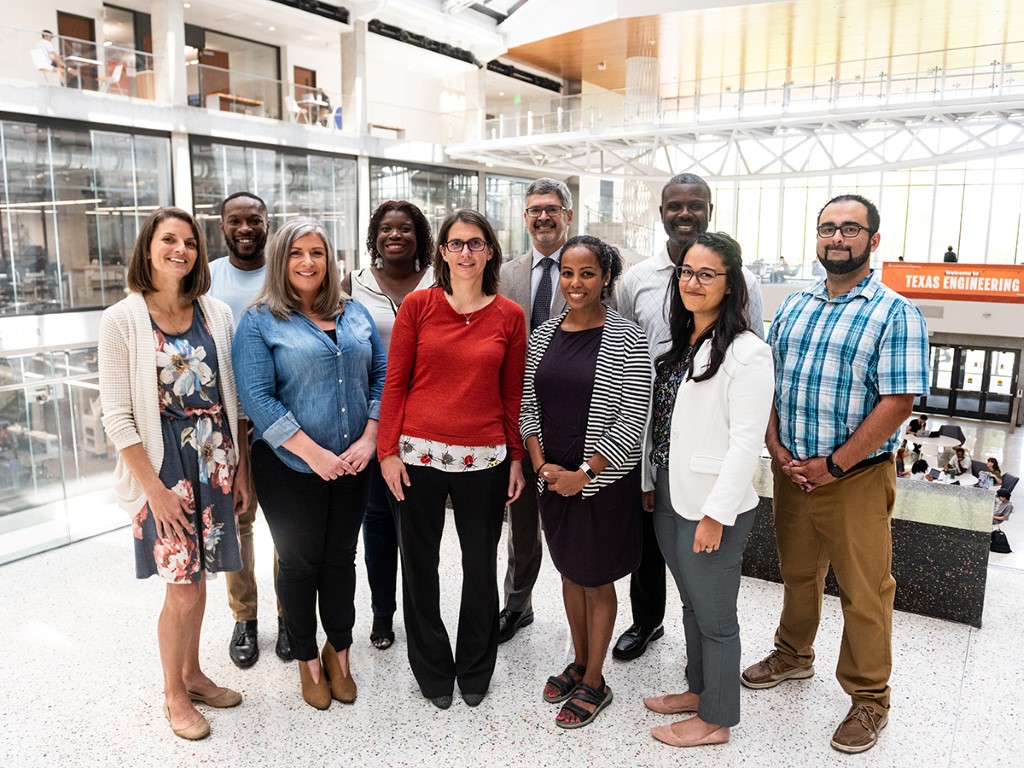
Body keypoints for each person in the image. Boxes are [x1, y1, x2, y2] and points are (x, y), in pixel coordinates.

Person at [742, 194, 929, 754]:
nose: (837, 238)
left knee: (864, 591)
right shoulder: (795, 306)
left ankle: (870, 698)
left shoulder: (896, 312)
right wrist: (775, 445)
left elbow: (898, 403)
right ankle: (794, 655)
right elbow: (768, 382)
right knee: (798, 575)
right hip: (793, 471)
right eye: (827, 228)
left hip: (855, 479)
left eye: (851, 229)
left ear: (873, 240)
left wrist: (835, 465)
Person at [98, 207, 247, 740]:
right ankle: (173, 693)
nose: (180, 250)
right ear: (148, 248)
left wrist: (241, 473)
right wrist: (154, 490)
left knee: (202, 577)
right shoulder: (122, 319)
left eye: (189, 242)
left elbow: (232, 401)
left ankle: (193, 673)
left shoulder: (215, 313)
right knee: (181, 587)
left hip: (216, 461)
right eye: (168, 240)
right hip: (163, 468)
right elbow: (116, 413)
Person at [233, 218, 386, 710]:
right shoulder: (259, 320)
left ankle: (339, 650)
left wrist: (370, 436)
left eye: (317, 252)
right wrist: (314, 453)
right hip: (290, 468)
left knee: (342, 559)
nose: (307, 261)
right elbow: (256, 396)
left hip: (354, 462)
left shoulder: (354, 311)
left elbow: (382, 374)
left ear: (329, 259)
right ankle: (307, 660)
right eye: (297, 252)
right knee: (300, 564)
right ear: (281, 260)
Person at [377, 209, 527, 709]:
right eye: (456, 243)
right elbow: (394, 383)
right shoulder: (418, 306)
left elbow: (513, 395)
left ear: (490, 251)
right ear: (442, 251)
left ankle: (476, 667)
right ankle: (433, 668)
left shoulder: (509, 315)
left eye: (476, 243)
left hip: (484, 460)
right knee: (419, 566)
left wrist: (516, 458)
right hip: (416, 457)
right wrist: (387, 452)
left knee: (480, 568)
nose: (466, 252)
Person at [613, 172, 764, 662]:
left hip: (707, 450)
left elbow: (752, 362)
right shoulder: (636, 280)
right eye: (673, 206)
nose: (683, 213)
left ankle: (708, 677)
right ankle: (646, 622)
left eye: (693, 205)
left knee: (704, 578)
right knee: (651, 548)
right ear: (661, 214)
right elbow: (620, 353)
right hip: (650, 442)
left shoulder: (743, 286)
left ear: (709, 210)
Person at [643, 231, 773, 747]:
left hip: (712, 506)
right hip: (673, 495)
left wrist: (716, 514)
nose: (692, 283)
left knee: (717, 617)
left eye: (706, 274)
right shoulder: (682, 343)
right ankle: (699, 690)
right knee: (693, 604)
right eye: (686, 273)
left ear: (730, 283)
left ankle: (716, 719)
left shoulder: (748, 353)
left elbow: (746, 444)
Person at [520, 235, 651, 729]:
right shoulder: (543, 335)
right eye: (568, 274)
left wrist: (584, 475)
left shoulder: (627, 337)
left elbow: (631, 419)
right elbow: (527, 406)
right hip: (552, 477)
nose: (576, 283)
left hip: (600, 479)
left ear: (606, 278)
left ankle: (596, 680)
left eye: (588, 273)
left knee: (596, 579)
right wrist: (540, 465)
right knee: (570, 572)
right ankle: (579, 661)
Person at [343, 200, 434, 651]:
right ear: (374, 236)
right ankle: (383, 613)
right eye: (385, 229)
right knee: (376, 522)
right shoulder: (353, 285)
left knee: (419, 528)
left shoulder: (442, 278)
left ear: (420, 236)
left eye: (405, 229)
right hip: (373, 424)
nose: (394, 235)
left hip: (429, 425)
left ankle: (422, 614)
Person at [209, 192, 291, 668]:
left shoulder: (280, 274)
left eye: (254, 220)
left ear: (266, 224)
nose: (245, 228)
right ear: (222, 226)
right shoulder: (210, 278)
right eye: (235, 220)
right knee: (238, 524)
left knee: (285, 527)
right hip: (226, 424)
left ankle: (288, 615)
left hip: (279, 421)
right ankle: (246, 618)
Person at [496, 177, 571, 644]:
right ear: (525, 218)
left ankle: (584, 611)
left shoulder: (590, 265)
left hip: (575, 415)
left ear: (568, 215)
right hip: (517, 416)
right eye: (534, 210)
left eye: (552, 208)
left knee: (576, 525)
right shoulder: (505, 274)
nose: (543, 216)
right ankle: (516, 605)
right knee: (521, 523)